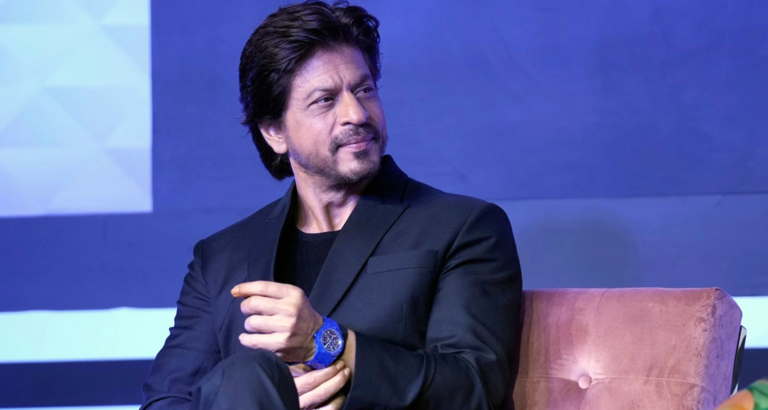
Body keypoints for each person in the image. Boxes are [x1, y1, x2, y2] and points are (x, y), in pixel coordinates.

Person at [141, 1, 522, 409]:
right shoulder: (220, 259)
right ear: (274, 132)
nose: (356, 114)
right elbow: (167, 400)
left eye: (364, 90)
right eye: (325, 100)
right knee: (249, 375)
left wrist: (326, 342)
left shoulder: (463, 226)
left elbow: (474, 387)